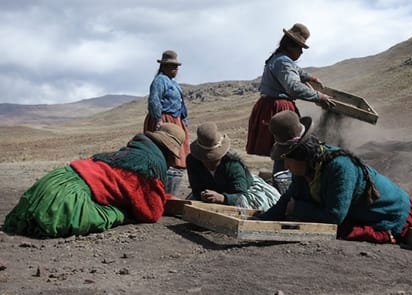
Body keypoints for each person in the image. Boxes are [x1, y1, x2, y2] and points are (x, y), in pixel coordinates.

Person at [258, 110, 412, 244]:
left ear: (302, 155)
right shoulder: (305, 170)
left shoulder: (340, 167)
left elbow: (334, 217)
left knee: (341, 230)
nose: (286, 166)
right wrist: (261, 220)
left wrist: (298, 209)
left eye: (288, 159)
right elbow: (288, 199)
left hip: (391, 213)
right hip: (356, 213)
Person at [3, 123, 186, 238]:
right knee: (116, 213)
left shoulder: (133, 152)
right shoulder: (151, 165)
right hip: (66, 199)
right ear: (168, 153)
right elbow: (150, 213)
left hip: (54, 182)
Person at [246, 23, 335, 179]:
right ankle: (284, 182)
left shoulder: (278, 58)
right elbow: (293, 87)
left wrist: (310, 77)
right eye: (299, 48)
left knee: (285, 148)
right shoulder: (283, 62)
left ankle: (282, 179)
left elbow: (296, 71)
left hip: (269, 105)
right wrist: (319, 97)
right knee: (287, 147)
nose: (301, 52)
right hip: (279, 108)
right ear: (290, 46)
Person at [186, 122, 281, 211]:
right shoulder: (193, 161)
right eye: (204, 159)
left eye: (213, 159)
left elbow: (241, 196)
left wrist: (223, 198)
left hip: (243, 194)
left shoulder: (233, 164)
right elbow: (196, 189)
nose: (208, 163)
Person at [143, 50, 190, 193]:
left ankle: (170, 191)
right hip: (164, 120)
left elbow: (181, 103)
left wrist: (184, 120)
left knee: (178, 157)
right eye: (172, 66)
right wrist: (158, 120)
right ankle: (161, 190)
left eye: (176, 66)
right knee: (165, 153)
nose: (176, 69)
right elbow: (154, 100)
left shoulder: (173, 83)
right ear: (163, 66)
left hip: (175, 121)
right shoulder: (159, 81)